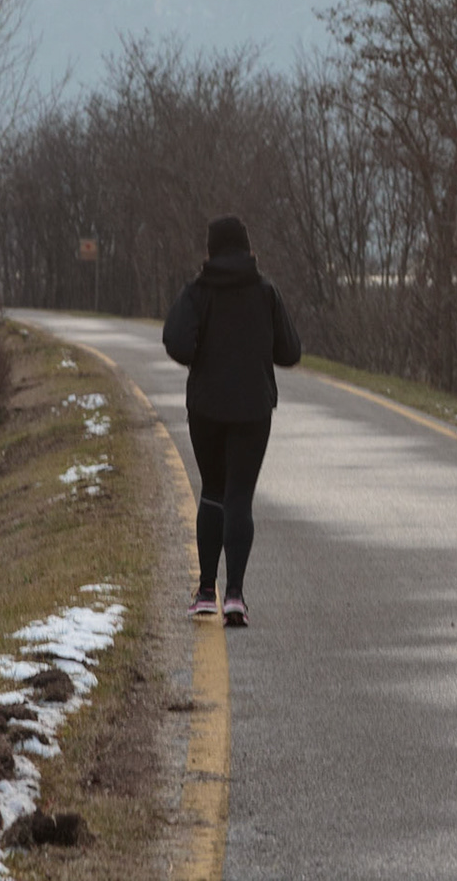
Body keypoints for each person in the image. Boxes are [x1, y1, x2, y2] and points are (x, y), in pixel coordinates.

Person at [163, 215, 302, 627]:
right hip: (253, 409)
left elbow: (175, 340)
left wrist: (200, 355)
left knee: (212, 492)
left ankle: (207, 591)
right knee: (239, 496)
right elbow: (290, 351)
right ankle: (236, 596)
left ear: (210, 250)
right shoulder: (266, 292)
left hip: (206, 407)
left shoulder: (198, 291)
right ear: (247, 248)